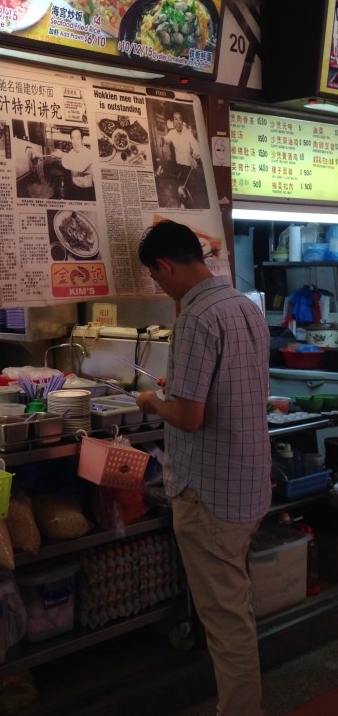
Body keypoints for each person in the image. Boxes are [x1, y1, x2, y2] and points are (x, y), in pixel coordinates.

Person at [135, 220, 270, 716]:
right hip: (248, 485)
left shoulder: (194, 316)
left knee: (226, 621)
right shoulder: (242, 304)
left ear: (166, 266)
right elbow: (233, 384)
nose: (159, 286)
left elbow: (189, 417)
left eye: (156, 277)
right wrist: (182, 389)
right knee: (237, 607)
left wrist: (154, 402)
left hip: (210, 493)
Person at [54, 127, 94, 199]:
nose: (75, 141)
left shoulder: (89, 153)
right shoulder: (71, 152)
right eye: (73, 138)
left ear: (82, 139)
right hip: (74, 188)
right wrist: (55, 157)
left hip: (87, 190)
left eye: (78, 138)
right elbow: (68, 163)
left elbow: (79, 165)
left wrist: (62, 155)